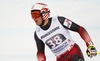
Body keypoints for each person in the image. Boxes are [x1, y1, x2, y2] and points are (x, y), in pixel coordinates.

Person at [31, 3, 97, 61]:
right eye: (32, 15)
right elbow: (40, 52)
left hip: (73, 52)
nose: (34, 18)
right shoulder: (37, 33)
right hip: (60, 58)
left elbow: (80, 29)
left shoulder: (59, 20)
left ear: (44, 13)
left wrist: (90, 45)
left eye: (36, 14)